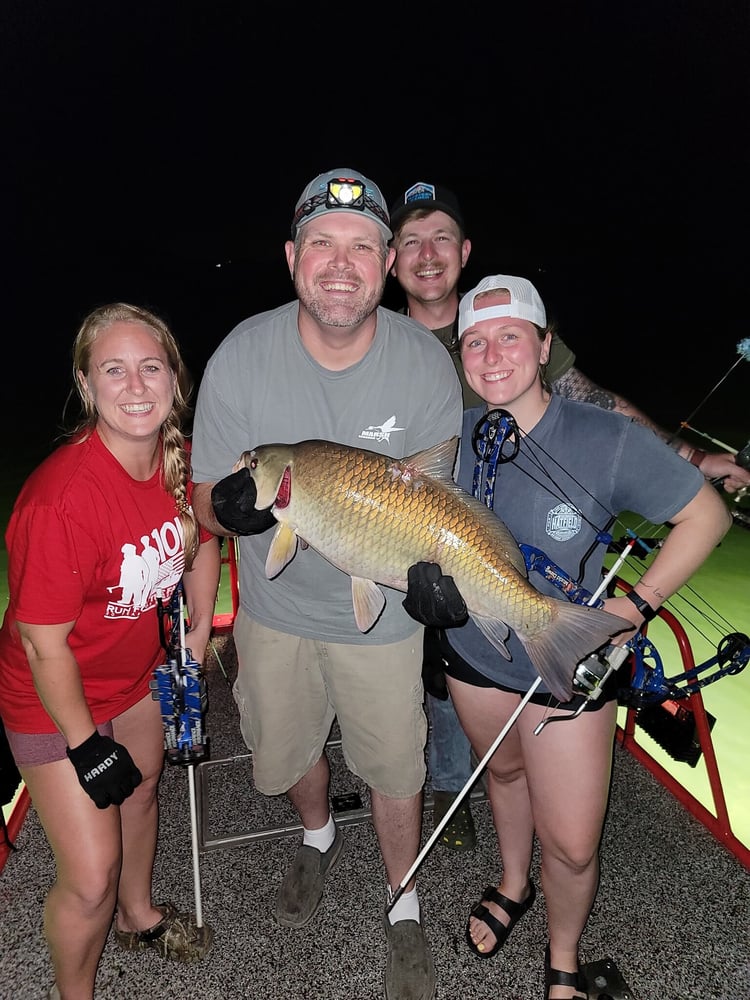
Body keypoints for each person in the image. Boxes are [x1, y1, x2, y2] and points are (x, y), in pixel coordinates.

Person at [387, 180, 750, 855]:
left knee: (472, 653)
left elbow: (596, 406)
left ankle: (474, 788)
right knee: (425, 672)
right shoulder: (380, 344)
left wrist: (692, 458)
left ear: (464, 250)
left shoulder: (502, 315)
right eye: (409, 240)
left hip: (501, 548)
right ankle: (445, 780)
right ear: (389, 260)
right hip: (405, 530)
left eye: (440, 236)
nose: (427, 253)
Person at [413, 274, 731, 999]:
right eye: (475, 341)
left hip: (568, 665)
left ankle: (563, 958)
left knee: (575, 843)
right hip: (473, 658)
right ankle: (514, 882)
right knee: (503, 773)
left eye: (511, 337)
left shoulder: (605, 438)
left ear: (546, 346)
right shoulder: (446, 438)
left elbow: (705, 517)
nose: (492, 355)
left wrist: (636, 607)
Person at [189, 168, 463, 1000]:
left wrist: (436, 580)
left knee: (394, 767)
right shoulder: (242, 353)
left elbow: (438, 502)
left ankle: (404, 901)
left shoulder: (421, 365)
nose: (340, 265)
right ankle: (315, 838)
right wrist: (228, 506)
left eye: (360, 247)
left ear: (384, 263)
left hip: (382, 622)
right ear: (291, 256)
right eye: (321, 245)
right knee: (291, 749)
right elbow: (206, 495)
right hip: (274, 615)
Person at [0, 303, 221, 1000]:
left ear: (174, 382)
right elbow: (42, 645)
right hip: (52, 700)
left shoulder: (175, 465)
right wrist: (82, 745)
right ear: (86, 383)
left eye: (150, 367)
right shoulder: (60, 500)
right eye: (114, 369)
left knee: (143, 790)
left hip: (137, 680)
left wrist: (193, 637)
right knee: (88, 875)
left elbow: (204, 539)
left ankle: (139, 914)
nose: (135, 385)